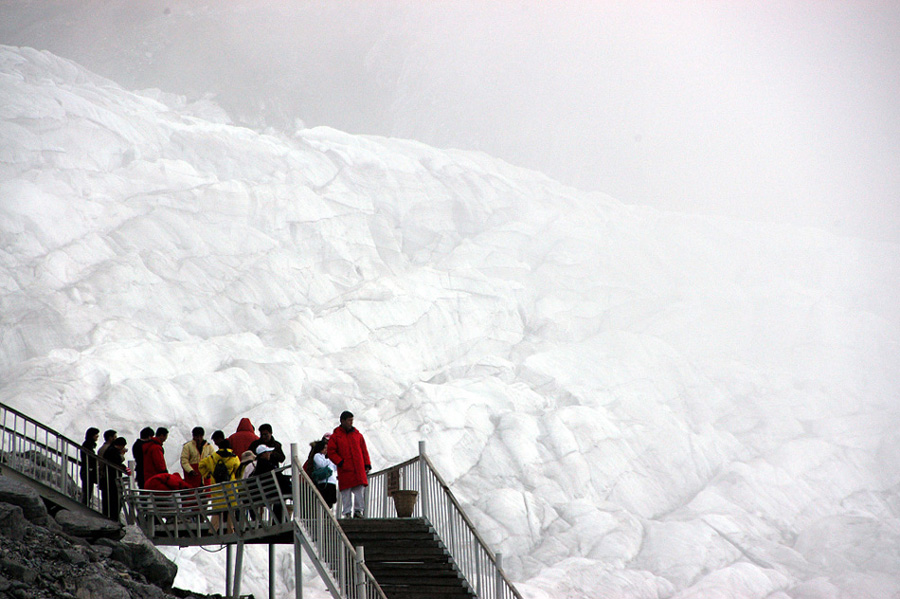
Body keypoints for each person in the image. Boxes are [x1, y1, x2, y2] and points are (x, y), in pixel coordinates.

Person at [326, 411, 371, 518]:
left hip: (358, 468)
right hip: (345, 468)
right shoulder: (336, 436)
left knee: (359, 490)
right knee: (346, 492)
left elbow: (364, 450)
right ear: (342, 421)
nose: (351, 422)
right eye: (349, 420)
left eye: (352, 420)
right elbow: (331, 451)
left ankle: (358, 511)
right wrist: (340, 462)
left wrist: (367, 464)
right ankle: (347, 512)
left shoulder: (358, 435)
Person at [199, 436, 240, 533]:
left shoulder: (212, 457)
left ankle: (213, 529)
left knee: (217, 510)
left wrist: (207, 474)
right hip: (231, 488)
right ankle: (231, 530)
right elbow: (239, 472)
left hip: (217, 488)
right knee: (231, 510)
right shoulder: (234, 458)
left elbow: (201, 465)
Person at [100, 437, 129, 521]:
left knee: (111, 501)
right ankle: (113, 518)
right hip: (112, 480)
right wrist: (122, 455)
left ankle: (111, 517)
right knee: (114, 501)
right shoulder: (113, 452)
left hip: (109, 479)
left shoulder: (109, 450)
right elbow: (117, 461)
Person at [307, 438, 337, 509]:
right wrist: (331, 459)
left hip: (331, 481)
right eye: (325, 448)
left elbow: (334, 467)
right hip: (324, 482)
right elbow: (322, 464)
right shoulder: (317, 456)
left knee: (330, 502)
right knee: (325, 501)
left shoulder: (326, 458)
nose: (326, 450)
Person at [80, 427, 100, 507]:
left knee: (87, 490)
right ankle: (85, 506)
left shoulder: (88, 444)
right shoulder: (88, 445)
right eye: (96, 435)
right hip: (88, 471)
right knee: (87, 490)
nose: (97, 437)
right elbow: (89, 458)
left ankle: (85, 504)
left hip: (87, 470)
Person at [96, 429, 117, 494]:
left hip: (103, 475)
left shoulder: (102, 448)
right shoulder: (109, 449)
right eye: (115, 437)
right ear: (110, 438)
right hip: (108, 476)